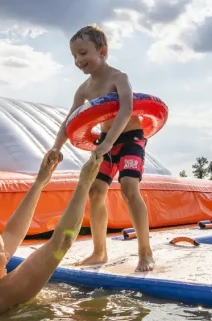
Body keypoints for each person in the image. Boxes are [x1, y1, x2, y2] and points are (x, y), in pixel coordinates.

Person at [47, 24, 155, 272]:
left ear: (103, 51)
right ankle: (99, 252)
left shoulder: (119, 77)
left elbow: (126, 109)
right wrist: (56, 147)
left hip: (130, 139)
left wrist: (107, 142)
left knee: (129, 188)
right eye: (74, 56)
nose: (78, 60)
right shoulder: (84, 89)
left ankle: (145, 251)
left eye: (83, 53)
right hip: (105, 143)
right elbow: (70, 121)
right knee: (95, 192)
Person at [0, 150, 103, 316]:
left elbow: (12, 233)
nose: (7, 254)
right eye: (2, 252)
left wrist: (40, 182)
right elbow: (63, 241)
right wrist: (85, 183)